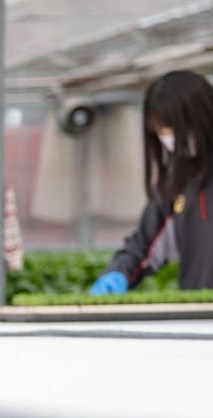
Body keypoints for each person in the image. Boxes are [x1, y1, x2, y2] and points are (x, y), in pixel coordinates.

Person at [90, 70, 213, 294]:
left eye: (175, 129)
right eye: (162, 131)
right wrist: (118, 272)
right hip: (200, 319)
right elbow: (143, 245)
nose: (169, 139)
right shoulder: (179, 184)